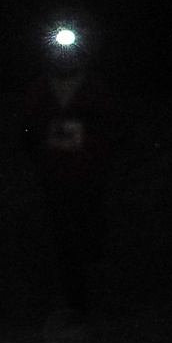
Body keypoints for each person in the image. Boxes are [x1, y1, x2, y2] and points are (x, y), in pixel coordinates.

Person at [20, 20, 129, 319]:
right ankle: (76, 296)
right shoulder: (40, 87)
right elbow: (25, 131)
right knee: (64, 235)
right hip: (54, 175)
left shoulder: (96, 86)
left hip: (89, 172)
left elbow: (118, 127)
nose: (64, 58)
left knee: (90, 230)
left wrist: (93, 123)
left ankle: (92, 279)